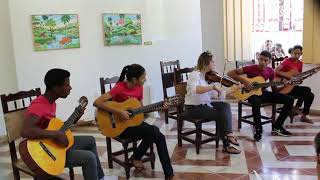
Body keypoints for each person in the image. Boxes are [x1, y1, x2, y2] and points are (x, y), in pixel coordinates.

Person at [21, 68, 115, 180]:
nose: (70, 88)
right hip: (46, 153)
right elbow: (25, 131)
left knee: (90, 140)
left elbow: (55, 128)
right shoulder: (39, 105)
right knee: (89, 158)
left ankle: (100, 178)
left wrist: (75, 118)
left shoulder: (51, 103)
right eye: (67, 85)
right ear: (55, 87)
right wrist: (56, 135)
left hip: (53, 144)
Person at [93, 64, 177, 180]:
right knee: (155, 131)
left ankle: (168, 173)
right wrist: (119, 112)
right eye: (143, 77)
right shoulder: (119, 87)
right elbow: (97, 102)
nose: (145, 79)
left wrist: (160, 107)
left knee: (158, 135)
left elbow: (141, 109)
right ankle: (139, 159)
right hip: (119, 127)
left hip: (133, 124)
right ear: (134, 79)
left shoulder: (139, 88)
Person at [227, 50, 294, 141]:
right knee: (256, 101)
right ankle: (258, 129)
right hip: (251, 94)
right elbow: (230, 73)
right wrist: (245, 81)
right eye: (261, 59)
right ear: (258, 59)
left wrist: (284, 85)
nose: (263, 62)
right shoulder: (250, 68)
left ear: (269, 61)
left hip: (263, 93)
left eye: (265, 60)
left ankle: (277, 126)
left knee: (290, 99)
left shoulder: (270, 71)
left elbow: (274, 89)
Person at [183, 51, 241, 154]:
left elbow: (220, 95)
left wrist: (236, 89)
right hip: (193, 108)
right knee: (220, 115)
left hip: (205, 105)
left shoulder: (209, 77)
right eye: (213, 62)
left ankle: (229, 135)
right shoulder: (195, 74)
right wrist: (213, 87)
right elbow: (196, 89)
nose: (215, 64)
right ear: (206, 63)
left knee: (225, 105)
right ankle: (227, 145)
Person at [275, 45, 316, 124]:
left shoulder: (300, 63)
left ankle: (303, 116)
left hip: (293, 86)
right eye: (295, 53)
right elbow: (276, 71)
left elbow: (298, 77)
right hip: (285, 88)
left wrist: (301, 79)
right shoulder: (286, 61)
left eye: (299, 54)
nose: (297, 56)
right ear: (291, 53)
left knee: (310, 95)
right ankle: (296, 109)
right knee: (307, 90)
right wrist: (288, 76)